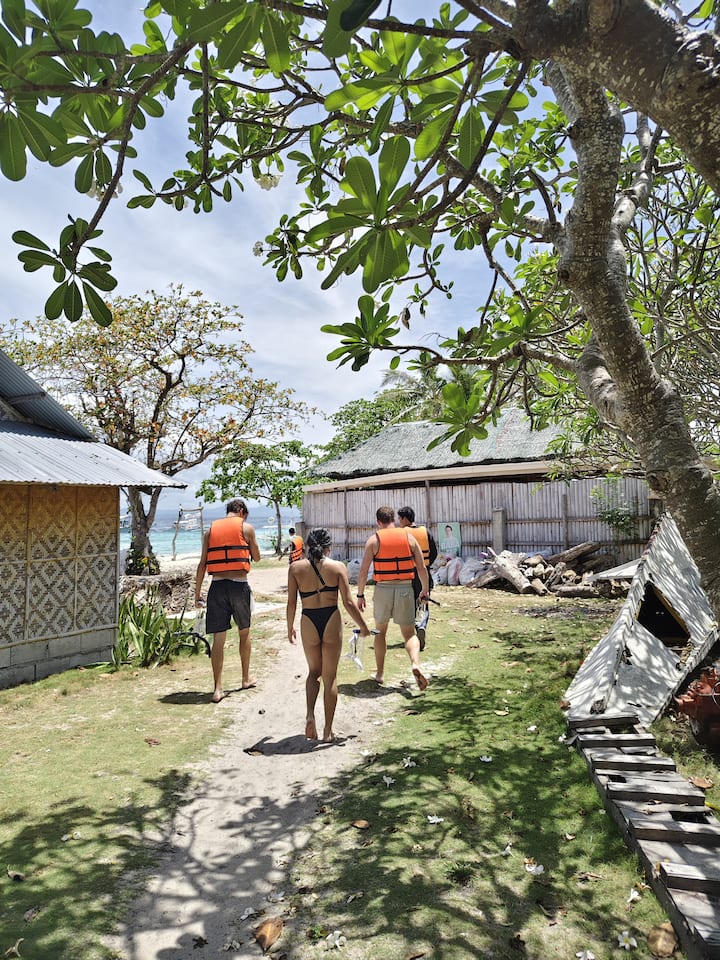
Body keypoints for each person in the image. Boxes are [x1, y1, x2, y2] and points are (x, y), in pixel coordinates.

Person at [287, 527, 373, 742]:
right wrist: (363, 626)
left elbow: (291, 603)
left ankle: (310, 715)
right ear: (328, 546)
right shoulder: (337, 567)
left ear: (307, 545)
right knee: (330, 676)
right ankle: (328, 730)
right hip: (331, 618)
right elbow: (348, 602)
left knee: (313, 672)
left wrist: (289, 627)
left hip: (308, 619)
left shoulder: (295, 568)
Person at [356, 505, 430, 690]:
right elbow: (421, 568)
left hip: (383, 590)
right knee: (409, 634)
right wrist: (425, 590)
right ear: (394, 520)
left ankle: (380, 674)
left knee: (380, 632)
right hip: (405, 588)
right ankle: (415, 664)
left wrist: (360, 594)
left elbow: (363, 571)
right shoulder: (409, 537)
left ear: (378, 522)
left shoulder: (374, 540)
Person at [195, 498, 261, 703]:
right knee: (244, 632)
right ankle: (245, 678)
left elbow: (202, 564)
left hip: (217, 587)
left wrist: (197, 593)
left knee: (219, 638)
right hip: (239, 586)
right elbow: (257, 557)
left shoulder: (210, 531)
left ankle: (217, 688)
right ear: (241, 511)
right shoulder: (247, 528)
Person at [397, 505, 437, 651]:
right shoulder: (425, 531)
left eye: (399, 519)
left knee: (409, 605)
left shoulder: (402, 533)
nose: (399, 521)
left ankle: (414, 630)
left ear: (404, 519)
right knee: (424, 603)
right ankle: (422, 626)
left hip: (408, 574)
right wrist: (426, 565)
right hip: (424, 573)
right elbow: (434, 553)